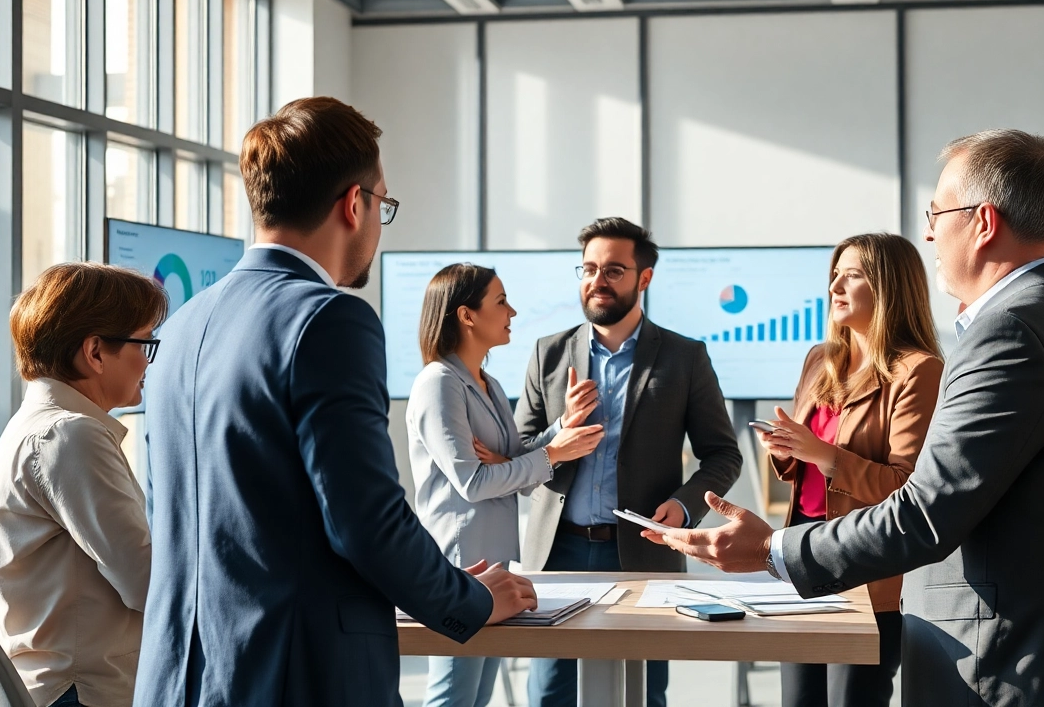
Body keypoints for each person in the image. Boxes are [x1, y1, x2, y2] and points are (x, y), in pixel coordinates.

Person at [644, 129, 1044, 707]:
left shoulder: (1009, 332)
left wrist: (772, 551)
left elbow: (925, 512)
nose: (930, 231)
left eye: (935, 212)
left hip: (1001, 666)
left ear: (983, 223)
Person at [134, 97, 538, 707]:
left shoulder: (184, 323)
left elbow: (174, 509)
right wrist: (472, 600)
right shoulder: (328, 318)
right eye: (384, 205)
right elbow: (365, 519)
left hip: (178, 676)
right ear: (356, 204)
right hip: (296, 675)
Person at [515, 216, 744, 707]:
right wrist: (561, 431)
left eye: (613, 270)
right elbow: (517, 452)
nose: (597, 281)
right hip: (558, 554)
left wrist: (685, 507)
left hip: (644, 552)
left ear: (645, 278)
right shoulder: (548, 353)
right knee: (549, 694)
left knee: (643, 693)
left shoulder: (685, 357)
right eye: (588, 268)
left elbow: (723, 453)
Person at [757, 233, 942, 707]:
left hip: (864, 568)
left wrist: (823, 454)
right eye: (833, 275)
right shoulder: (820, 361)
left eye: (852, 275)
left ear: (888, 287)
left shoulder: (918, 370)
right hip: (800, 558)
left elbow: (907, 487)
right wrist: (786, 448)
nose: (835, 286)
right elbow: (803, 465)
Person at [407, 263, 604, 707]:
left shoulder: (488, 383)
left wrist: (562, 427)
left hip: (494, 564)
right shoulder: (438, 384)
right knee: (453, 696)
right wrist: (553, 454)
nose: (512, 311)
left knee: (476, 696)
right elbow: (475, 484)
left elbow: (515, 462)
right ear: (467, 315)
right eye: (501, 301)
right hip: (461, 566)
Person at [0, 262, 165, 707]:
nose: (149, 360)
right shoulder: (69, 436)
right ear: (96, 352)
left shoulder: (35, 428)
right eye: (145, 343)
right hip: (82, 691)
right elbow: (147, 585)